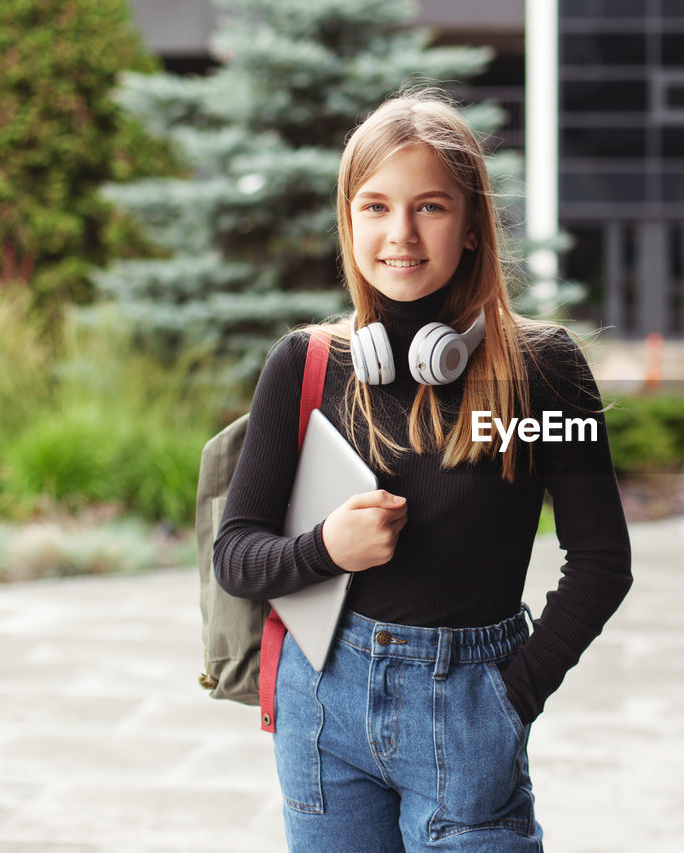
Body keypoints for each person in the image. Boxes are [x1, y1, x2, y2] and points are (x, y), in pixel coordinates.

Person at [213, 89, 632, 851]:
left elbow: (603, 560)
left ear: (471, 225)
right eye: (374, 207)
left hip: (469, 708)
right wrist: (323, 552)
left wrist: (513, 694)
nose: (399, 233)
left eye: (430, 207)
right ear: (349, 221)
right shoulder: (307, 364)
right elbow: (234, 555)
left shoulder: (542, 371)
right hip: (322, 710)